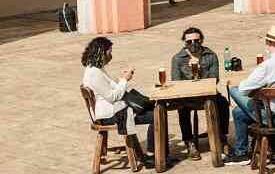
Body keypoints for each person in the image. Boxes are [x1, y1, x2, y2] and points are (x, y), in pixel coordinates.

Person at [223, 26, 275, 165]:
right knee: (238, 112)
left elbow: (243, 89)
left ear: (268, 44)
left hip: (271, 118)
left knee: (234, 90)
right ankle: (241, 151)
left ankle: (242, 154)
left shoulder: (267, 66)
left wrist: (259, 92)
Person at [81, 37, 155, 165]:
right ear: (101, 52)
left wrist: (122, 78)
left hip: (109, 110)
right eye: (109, 52)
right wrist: (124, 80)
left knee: (152, 108)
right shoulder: (94, 73)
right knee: (156, 115)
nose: (111, 55)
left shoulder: (95, 69)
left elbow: (110, 88)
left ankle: (155, 152)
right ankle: (152, 154)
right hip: (110, 114)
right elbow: (112, 97)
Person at [170, 27, 231, 160]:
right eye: (189, 42)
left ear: (201, 40)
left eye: (196, 41)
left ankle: (222, 136)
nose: (193, 44)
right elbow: (176, 83)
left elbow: (215, 78)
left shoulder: (211, 55)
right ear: (184, 43)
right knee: (182, 107)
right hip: (188, 96)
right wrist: (192, 77)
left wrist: (200, 69)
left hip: (207, 93)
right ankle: (189, 141)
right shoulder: (177, 59)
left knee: (223, 103)